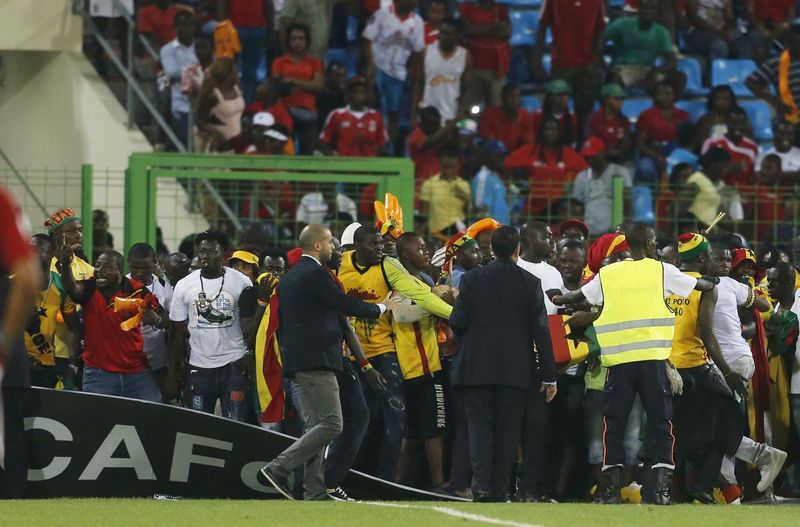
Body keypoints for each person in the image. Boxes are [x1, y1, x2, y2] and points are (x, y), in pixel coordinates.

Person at [553, 222, 717, 505]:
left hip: (619, 363)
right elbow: (699, 285)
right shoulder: (661, 270)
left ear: (628, 244)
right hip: (653, 362)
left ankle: (609, 493)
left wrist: (559, 298)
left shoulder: (609, 273)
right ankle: (663, 493)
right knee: (661, 424)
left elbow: (576, 297)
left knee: (613, 425)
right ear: (652, 244)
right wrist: (711, 282)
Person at [257, 224, 390, 501]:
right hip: (317, 360)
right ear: (317, 245)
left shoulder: (293, 277)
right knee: (333, 424)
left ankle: (314, 491)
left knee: (316, 427)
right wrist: (383, 307)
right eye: (331, 242)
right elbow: (346, 305)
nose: (335, 248)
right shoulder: (316, 274)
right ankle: (278, 467)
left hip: (299, 360)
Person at [337, 225, 453, 482]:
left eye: (381, 243)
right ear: (356, 247)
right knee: (356, 421)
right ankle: (344, 477)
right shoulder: (339, 264)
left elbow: (420, 295)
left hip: (383, 353)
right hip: (346, 354)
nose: (380, 248)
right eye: (373, 244)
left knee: (396, 418)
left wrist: (454, 313)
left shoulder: (388, 267)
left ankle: (385, 481)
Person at [450, 225, 557, 502]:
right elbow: (541, 332)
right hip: (515, 370)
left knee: (479, 429)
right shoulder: (530, 283)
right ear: (517, 250)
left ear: (491, 249)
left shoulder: (471, 280)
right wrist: (549, 376)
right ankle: (499, 490)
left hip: (474, 368)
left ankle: (481, 487)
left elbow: (458, 322)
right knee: (507, 432)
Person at [667, 232, 748, 504]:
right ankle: (703, 484)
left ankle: (679, 490)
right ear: (702, 257)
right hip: (695, 366)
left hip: (667, 367)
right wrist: (727, 372)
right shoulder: (706, 287)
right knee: (730, 422)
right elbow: (707, 333)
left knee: (678, 431)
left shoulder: (666, 282)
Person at [707, 243, 788, 497]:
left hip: (729, 362)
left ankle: (733, 489)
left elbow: (762, 305)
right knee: (713, 426)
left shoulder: (716, 284)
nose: (726, 264)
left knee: (716, 427)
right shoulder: (722, 285)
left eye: (728, 259)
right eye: (720, 258)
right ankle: (732, 486)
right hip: (733, 359)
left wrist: (736, 321)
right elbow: (762, 305)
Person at [167, 230, 258, 421]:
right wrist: (172, 374)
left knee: (235, 424)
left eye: (211, 251)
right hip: (199, 366)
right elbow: (175, 331)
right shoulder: (185, 285)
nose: (204, 256)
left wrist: (249, 353)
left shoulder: (241, 282)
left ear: (224, 253)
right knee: (199, 427)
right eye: (201, 251)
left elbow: (251, 324)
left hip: (234, 364)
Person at [58, 248, 166, 402]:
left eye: (107, 267)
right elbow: (72, 289)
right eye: (97, 265)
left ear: (120, 270)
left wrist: (156, 319)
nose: (99, 271)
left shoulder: (137, 290)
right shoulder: (90, 288)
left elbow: (165, 319)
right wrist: (66, 265)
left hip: (137, 373)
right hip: (98, 374)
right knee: (97, 422)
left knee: (152, 413)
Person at [391, 233, 450, 491]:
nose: (427, 253)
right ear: (405, 255)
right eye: (421, 249)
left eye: (427, 248)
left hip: (427, 364)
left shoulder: (424, 281)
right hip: (412, 366)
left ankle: (405, 482)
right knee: (426, 430)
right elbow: (402, 314)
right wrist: (436, 304)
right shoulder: (400, 282)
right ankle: (434, 483)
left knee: (421, 430)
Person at [514, 221, 563, 501]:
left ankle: (531, 488)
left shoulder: (553, 272)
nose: (551, 240)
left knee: (538, 425)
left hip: (544, 359)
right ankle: (510, 482)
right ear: (530, 241)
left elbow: (554, 318)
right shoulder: (516, 270)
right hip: (517, 357)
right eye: (546, 236)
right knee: (512, 425)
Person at [0, 187, 40, 497]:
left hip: (11, 369)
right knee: (12, 438)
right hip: (8, 365)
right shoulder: (3, 201)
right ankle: (12, 497)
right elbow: (29, 281)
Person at [363, 0, 425, 152]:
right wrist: (371, 65)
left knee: (393, 114)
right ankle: (370, 145)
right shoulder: (382, 14)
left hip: (399, 73)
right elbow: (367, 40)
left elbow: (418, 52)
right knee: (373, 108)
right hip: (378, 67)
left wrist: (411, 71)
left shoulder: (417, 22)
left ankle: (388, 148)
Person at [533, 0, 606, 125]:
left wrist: (597, 56)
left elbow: (601, 26)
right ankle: (557, 142)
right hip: (561, 64)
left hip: (587, 64)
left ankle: (582, 142)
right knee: (554, 110)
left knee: (585, 112)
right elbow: (542, 25)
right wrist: (537, 61)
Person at [504, 115, 588, 218]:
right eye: (548, 129)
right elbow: (506, 163)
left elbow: (586, 172)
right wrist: (518, 183)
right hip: (532, 207)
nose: (551, 132)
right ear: (541, 132)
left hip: (558, 209)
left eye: (555, 129)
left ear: (560, 132)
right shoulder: (530, 151)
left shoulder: (569, 154)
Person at [24, 234, 79, 389]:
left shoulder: (61, 285)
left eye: (37, 249)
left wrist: (72, 365)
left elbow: (74, 330)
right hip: (17, 363)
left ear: (51, 254)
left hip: (46, 366)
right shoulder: (15, 281)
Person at [604, 0, 683, 94]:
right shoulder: (623, 24)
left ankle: (663, 106)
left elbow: (672, 61)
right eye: (645, 8)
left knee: (679, 78)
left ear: (657, 12)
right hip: (624, 68)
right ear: (639, 10)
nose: (647, 11)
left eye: (652, 9)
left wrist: (656, 71)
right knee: (614, 80)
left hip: (648, 69)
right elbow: (601, 37)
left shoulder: (662, 32)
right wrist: (603, 64)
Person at [127, 243, 172, 399]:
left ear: (154, 263)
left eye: (145, 268)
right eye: (134, 268)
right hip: (128, 364)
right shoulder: (121, 286)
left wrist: (157, 319)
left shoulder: (164, 285)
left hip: (158, 362)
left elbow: (173, 320)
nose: (139, 273)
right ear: (128, 263)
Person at [271, 22, 324, 155]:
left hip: (309, 114)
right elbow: (277, 85)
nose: (297, 42)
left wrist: (293, 81)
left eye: (301, 38)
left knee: (307, 153)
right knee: (285, 151)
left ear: (307, 41)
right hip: (285, 113)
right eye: (294, 38)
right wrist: (307, 84)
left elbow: (318, 85)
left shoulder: (314, 62)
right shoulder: (279, 62)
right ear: (288, 41)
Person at [572, 137, 633, 236]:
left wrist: (626, 227)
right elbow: (576, 206)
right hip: (590, 231)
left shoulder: (619, 172)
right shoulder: (581, 177)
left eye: (593, 156)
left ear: (602, 153)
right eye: (586, 157)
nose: (589, 159)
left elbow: (628, 202)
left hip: (613, 231)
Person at [415, 17, 472, 123]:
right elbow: (419, 83)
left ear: (457, 36)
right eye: (442, 33)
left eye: (448, 34)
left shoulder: (465, 56)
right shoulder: (426, 52)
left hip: (451, 115)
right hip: (427, 114)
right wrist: (414, 114)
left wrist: (460, 114)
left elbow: (466, 89)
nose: (443, 37)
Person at [635, 82, 691, 184]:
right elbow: (640, 143)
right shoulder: (646, 116)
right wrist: (657, 156)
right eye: (660, 93)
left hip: (675, 153)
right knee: (645, 168)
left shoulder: (683, 115)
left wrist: (679, 156)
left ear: (675, 96)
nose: (665, 97)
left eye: (668, 93)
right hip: (652, 153)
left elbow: (688, 141)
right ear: (655, 96)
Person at [458, 0, 511, 109]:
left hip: (496, 69)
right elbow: (468, 30)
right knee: (469, 111)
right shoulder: (466, 7)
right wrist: (493, 27)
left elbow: (506, 32)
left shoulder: (501, 9)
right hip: (472, 68)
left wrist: (478, 29)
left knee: (496, 109)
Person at [318, 77, 388, 157]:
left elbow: (382, 144)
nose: (359, 95)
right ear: (349, 94)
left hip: (369, 166)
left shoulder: (376, 116)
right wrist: (333, 159)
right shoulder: (337, 114)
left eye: (363, 92)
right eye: (356, 92)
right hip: (345, 166)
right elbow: (323, 141)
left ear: (367, 95)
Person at [746, 25, 800, 128]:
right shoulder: (776, 62)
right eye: (797, 42)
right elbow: (750, 82)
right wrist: (774, 101)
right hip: (791, 115)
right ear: (790, 43)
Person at [220, 0, 272, 104]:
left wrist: (270, 29)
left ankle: (247, 105)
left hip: (257, 30)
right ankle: (230, 104)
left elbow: (268, 4)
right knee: (231, 71)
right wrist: (223, 26)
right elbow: (223, 4)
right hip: (234, 29)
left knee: (250, 73)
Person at [160, 11, 198, 148]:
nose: (187, 29)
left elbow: (209, 70)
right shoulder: (168, 49)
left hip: (201, 102)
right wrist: (196, 71)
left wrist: (185, 72)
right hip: (180, 103)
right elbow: (171, 72)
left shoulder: (201, 47)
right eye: (183, 25)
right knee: (186, 144)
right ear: (175, 27)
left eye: (190, 25)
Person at [418, 148, 471, 238]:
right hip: (437, 232)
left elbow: (469, 213)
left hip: (459, 232)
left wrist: (466, 199)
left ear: (458, 166)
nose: (449, 170)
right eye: (445, 167)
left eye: (453, 167)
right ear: (440, 166)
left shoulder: (463, 185)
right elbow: (423, 213)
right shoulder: (429, 184)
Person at [701, 107, 759, 188]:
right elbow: (703, 172)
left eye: (742, 123)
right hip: (717, 191)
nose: (738, 127)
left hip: (743, 194)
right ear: (726, 122)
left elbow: (753, 176)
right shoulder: (711, 143)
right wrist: (727, 169)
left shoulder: (753, 147)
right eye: (734, 123)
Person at [196, 58, 246, 152]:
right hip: (219, 144)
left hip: (238, 141)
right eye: (234, 70)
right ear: (228, 73)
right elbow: (199, 120)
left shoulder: (236, 88)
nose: (237, 72)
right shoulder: (210, 94)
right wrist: (216, 134)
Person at [685, 0, 754, 61]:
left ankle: (739, 75)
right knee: (719, 46)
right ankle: (714, 74)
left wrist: (730, 31)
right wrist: (719, 34)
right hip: (698, 32)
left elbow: (729, 18)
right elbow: (693, 16)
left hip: (721, 33)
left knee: (745, 45)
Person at [477, 84, 535, 152]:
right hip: (493, 155)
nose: (514, 100)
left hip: (516, 156)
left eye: (517, 96)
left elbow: (527, 143)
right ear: (502, 97)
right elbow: (488, 141)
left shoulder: (526, 116)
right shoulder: (489, 114)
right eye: (510, 96)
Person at [407, 106, 455, 187]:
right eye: (433, 124)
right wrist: (450, 126)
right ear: (423, 123)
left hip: (438, 185)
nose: (436, 127)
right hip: (420, 184)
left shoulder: (438, 134)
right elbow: (430, 142)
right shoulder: (415, 136)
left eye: (438, 124)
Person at [471, 139, 510, 225]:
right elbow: (480, 211)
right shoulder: (482, 178)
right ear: (486, 156)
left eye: (503, 156)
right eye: (497, 156)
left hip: (500, 231)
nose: (501, 159)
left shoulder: (496, 177)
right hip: (489, 233)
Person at [532, 80, 579, 148]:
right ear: (550, 97)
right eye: (559, 95)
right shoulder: (538, 115)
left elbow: (573, 140)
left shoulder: (572, 116)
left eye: (566, 94)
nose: (564, 98)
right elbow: (535, 140)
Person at [316, 61, 348, 130]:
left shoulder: (348, 98)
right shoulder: (321, 97)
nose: (342, 79)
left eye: (344, 76)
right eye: (338, 76)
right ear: (328, 77)